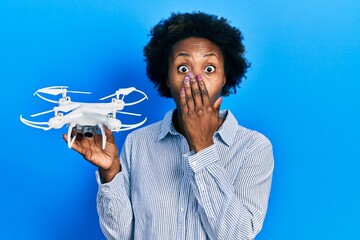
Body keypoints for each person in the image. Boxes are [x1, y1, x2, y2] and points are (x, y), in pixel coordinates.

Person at [64, 11, 274, 240]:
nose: (195, 80)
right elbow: (122, 235)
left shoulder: (253, 148)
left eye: (209, 68)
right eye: (183, 68)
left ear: (225, 77)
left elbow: (238, 235)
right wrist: (111, 171)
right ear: (166, 78)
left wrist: (202, 147)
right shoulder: (138, 143)